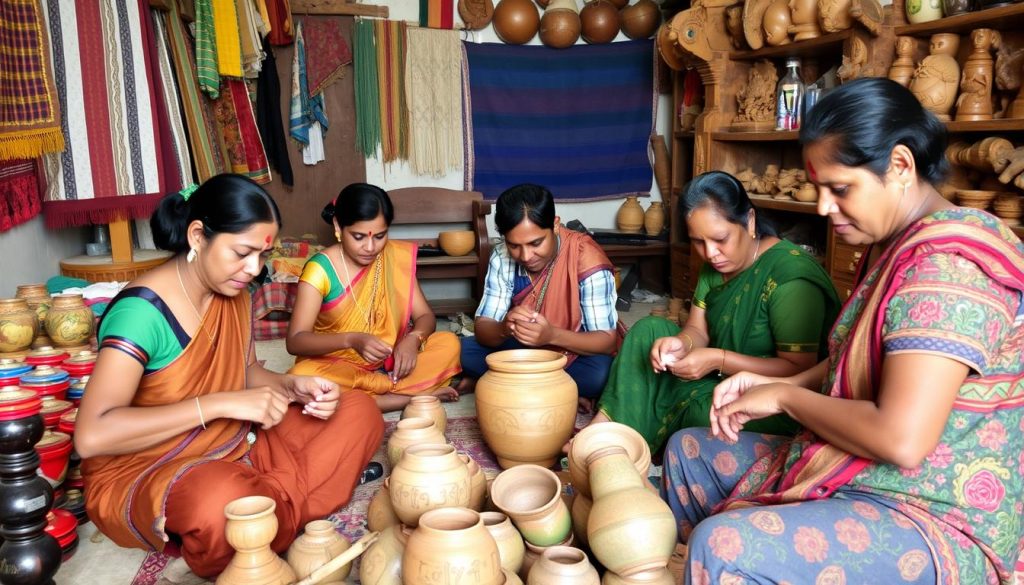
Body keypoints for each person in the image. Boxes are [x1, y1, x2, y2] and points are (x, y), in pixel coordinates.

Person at [663, 78, 1024, 584]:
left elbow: (901, 438)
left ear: (900, 166)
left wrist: (785, 400)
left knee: (719, 546)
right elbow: (865, 360)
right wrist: (777, 385)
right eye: (819, 189)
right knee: (689, 452)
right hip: (860, 465)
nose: (823, 208)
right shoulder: (893, 246)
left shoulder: (947, 267)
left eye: (840, 188)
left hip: (932, 508)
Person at [75, 175, 384, 578]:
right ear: (198, 236)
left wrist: (293, 388)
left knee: (357, 409)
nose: (253, 268)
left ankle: (266, 512)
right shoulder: (141, 314)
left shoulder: (234, 294)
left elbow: (247, 372)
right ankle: (285, 501)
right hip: (150, 465)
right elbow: (92, 435)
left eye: (262, 255)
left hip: (234, 439)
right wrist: (218, 403)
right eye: (242, 252)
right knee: (218, 504)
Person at [590, 171, 840, 454]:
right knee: (648, 331)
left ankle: (629, 433)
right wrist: (681, 343)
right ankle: (604, 427)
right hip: (720, 375)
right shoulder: (717, 265)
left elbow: (800, 370)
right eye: (698, 241)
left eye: (721, 239)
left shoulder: (790, 278)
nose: (710, 253)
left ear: (750, 221)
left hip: (773, 396)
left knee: (704, 412)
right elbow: (698, 331)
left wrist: (717, 360)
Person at [286, 183, 461, 412]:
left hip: (390, 361)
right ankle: (407, 397)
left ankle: (374, 397)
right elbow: (296, 340)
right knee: (302, 376)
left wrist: (413, 340)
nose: (370, 247)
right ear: (338, 226)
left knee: (448, 343)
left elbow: (425, 316)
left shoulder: (392, 256)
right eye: (358, 237)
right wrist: (351, 340)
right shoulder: (320, 270)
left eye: (380, 236)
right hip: (339, 365)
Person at [459, 183, 622, 407]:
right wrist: (505, 327)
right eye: (514, 245)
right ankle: (560, 391)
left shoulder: (586, 257)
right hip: (523, 346)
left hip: (572, 351)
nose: (526, 256)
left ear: (555, 225)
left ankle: (503, 381)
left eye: (536, 243)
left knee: (599, 375)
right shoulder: (502, 255)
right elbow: (484, 328)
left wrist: (551, 336)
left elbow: (605, 341)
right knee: (465, 352)